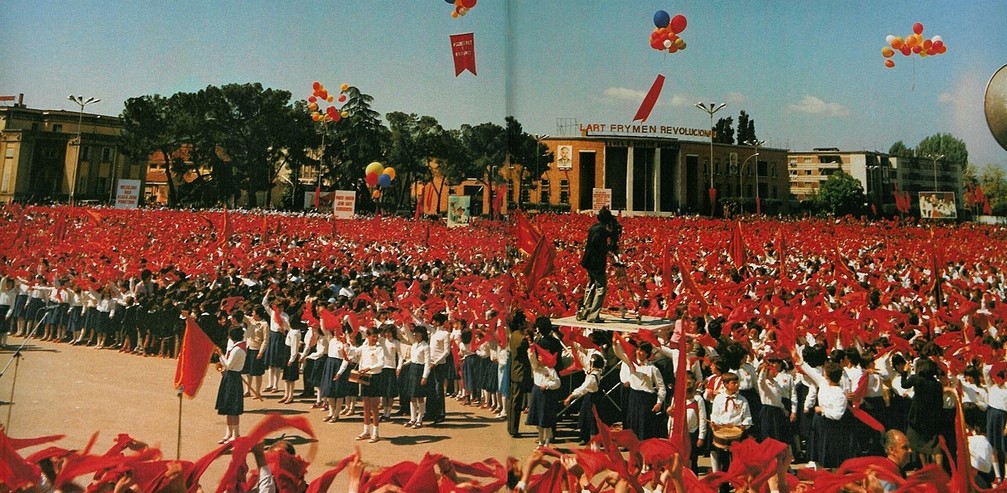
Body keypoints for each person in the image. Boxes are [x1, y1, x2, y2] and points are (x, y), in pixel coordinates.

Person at [576, 207, 621, 323]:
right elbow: (597, 242)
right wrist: (608, 247)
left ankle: (585, 311)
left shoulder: (594, 227)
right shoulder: (601, 230)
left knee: (591, 285)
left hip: (588, 261)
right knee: (601, 287)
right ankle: (593, 315)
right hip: (596, 262)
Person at [214, 327, 247, 444]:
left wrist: (220, 354)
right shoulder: (238, 347)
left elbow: (228, 364)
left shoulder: (238, 349)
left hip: (233, 377)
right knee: (228, 407)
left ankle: (236, 434)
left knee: (233, 408)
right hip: (230, 376)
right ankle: (228, 433)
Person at [356, 326, 387, 443]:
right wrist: (345, 343)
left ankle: (376, 433)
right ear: (368, 337)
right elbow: (352, 353)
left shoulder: (379, 349)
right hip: (364, 377)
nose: (375, 338)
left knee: (374, 406)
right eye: (373, 336)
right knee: (365, 405)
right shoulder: (364, 348)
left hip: (375, 377)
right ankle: (366, 431)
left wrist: (369, 368)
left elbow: (381, 363)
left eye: (376, 336)